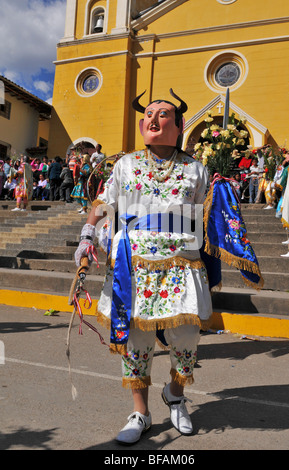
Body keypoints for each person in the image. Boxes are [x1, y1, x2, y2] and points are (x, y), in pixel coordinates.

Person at [74, 89, 212, 444]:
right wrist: (89, 235)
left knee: (188, 341)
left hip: (182, 262)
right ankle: (142, 412)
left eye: (163, 114)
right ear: (141, 124)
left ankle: (176, 394)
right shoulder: (125, 165)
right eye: (149, 114)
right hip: (132, 266)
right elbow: (105, 203)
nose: (154, 119)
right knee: (137, 341)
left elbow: (203, 217)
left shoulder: (196, 169)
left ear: (179, 126)